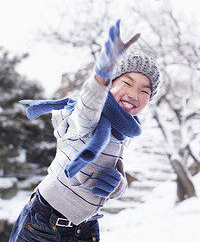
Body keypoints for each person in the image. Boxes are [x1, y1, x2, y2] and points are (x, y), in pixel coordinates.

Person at [9, 20, 160, 242]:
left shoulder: (125, 130)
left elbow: (109, 167)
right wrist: (101, 75)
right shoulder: (88, 115)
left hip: (86, 227)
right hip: (43, 223)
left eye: (144, 91)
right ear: (111, 84)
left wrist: (118, 185)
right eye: (127, 83)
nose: (134, 94)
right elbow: (89, 105)